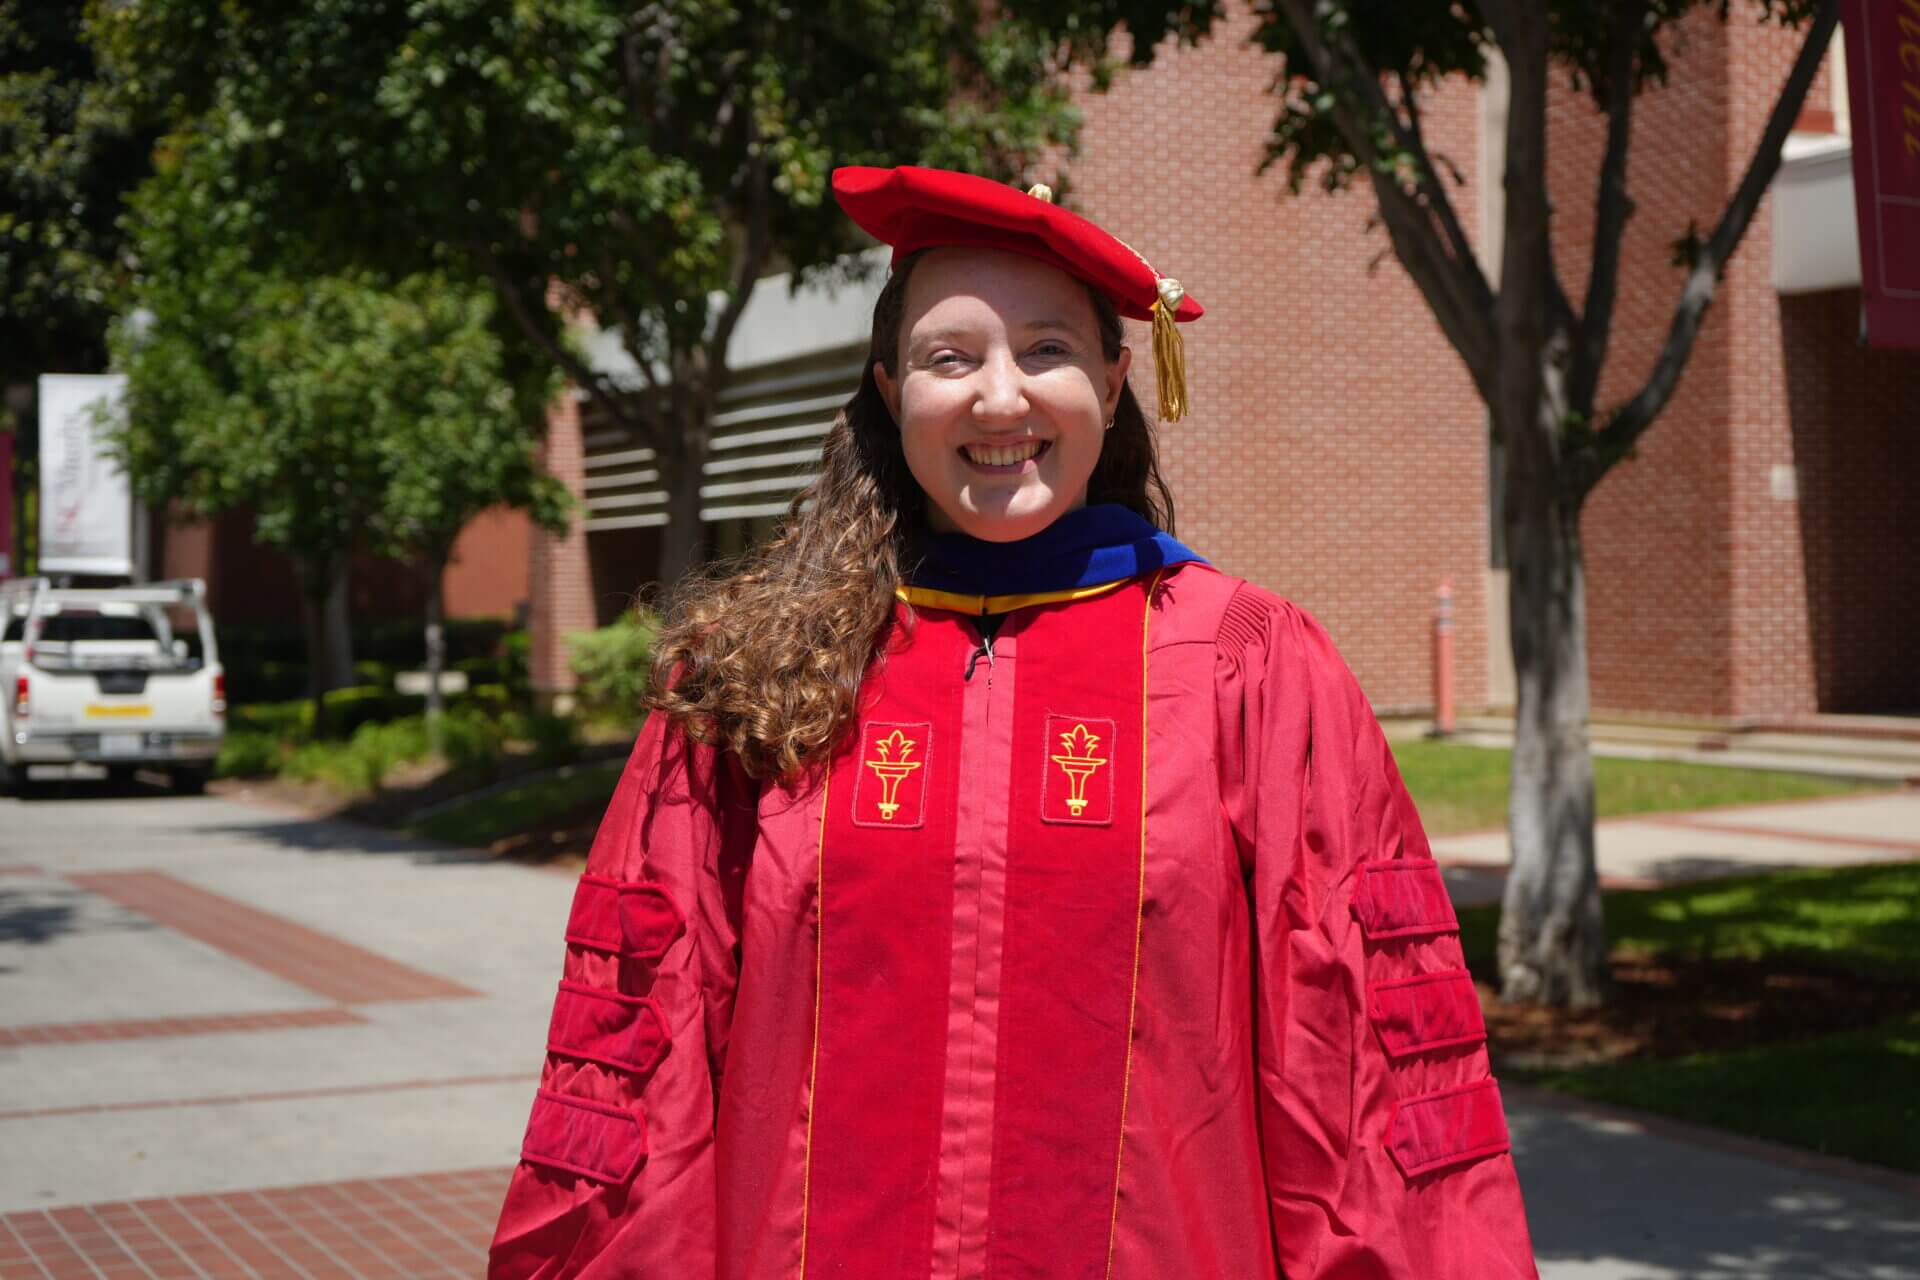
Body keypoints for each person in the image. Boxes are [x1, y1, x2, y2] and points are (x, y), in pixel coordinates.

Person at [488, 165, 1537, 1279]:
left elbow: (1362, 1055)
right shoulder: (749, 678)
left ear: (1116, 379)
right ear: (891, 391)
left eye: (1047, 350)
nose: (1000, 398)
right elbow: (635, 1048)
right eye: (952, 356)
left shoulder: (1248, 665)